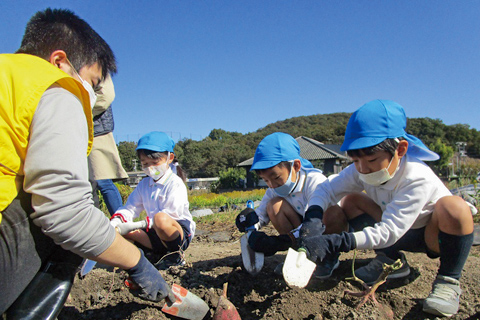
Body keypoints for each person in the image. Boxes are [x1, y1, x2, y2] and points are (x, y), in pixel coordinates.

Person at [0, 8, 175, 318]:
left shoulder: (8, 76)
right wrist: (136, 263)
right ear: (59, 62)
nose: (93, 95)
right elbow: (65, 214)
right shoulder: (54, 87)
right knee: (74, 221)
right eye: (94, 83)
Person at [299, 100, 474, 317]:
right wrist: (313, 218)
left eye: (371, 159)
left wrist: (339, 241)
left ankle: (448, 281)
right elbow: (326, 190)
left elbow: (390, 231)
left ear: (400, 149)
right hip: (394, 233)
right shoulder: (360, 170)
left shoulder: (417, 176)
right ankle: (389, 260)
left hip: (430, 236)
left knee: (455, 207)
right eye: (355, 160)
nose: (363, 168)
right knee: (351, 200)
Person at [235, 132, 340, 278]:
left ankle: (327, 257)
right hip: (303, 232)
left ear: (296, 166)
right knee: (274, 206)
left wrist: (282, 241)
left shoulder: (315, 181)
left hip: (323, 229)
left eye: (276, 177)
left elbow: (315, 224)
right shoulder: (274, 189)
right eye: (265, 180)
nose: (271, 185)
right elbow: (261, 214)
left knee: (331, 212)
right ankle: (299, 256)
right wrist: (250, 223)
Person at [110, 131, 195, 270]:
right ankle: (152, 256)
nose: (150, 168)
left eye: (155, 162)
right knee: (121, 230)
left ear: (170, 158)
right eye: (145, 163)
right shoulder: (143, 185)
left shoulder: (175, 183)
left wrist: (134, 225)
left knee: (160, 219)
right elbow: (130, 208)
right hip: (153, 231)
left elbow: (170, 215)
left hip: (176, 232)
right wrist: (116, 222)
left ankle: (175, 256)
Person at [88, 73, 128, 215]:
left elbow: (106, 96)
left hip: (95, 131)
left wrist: (78, 109)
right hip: (71, 131)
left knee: (102, 181)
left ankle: (122, 223)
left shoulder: (94, 61)